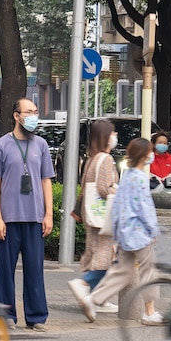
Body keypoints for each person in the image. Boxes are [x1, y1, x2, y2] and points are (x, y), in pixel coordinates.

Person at [76, 138, 162, 325]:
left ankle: (93, 299)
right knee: (148, 271)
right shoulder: (140, 178)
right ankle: (150, 311)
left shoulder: (127, 176)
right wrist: (153, 229)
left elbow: (118, 206)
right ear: (144, 155)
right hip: (140, 233)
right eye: (150, 151)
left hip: (125, 233)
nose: (152, 154)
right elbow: (144, 208)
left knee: (121, 272)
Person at [0, 98, 55, 332]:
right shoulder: (1, 146)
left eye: (35, 111)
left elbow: (46, 181)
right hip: (8, 217)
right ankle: (6, 314)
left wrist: (49, 214)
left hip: (35, 216)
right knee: (5, 270)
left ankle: (36, 316)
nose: (33, 116)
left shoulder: (42, 145)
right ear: (16, 116)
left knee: (35, 268)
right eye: (28, 112)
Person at [67, 120, 119, 310]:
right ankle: (84, 284)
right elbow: (103, 189)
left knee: (98, 255)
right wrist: (119, 191)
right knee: (105, 258)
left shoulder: (92, 159)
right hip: (103, 217)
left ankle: (98, 298)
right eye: (113, 133)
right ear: (105, 136)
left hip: (92, 215)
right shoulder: (105, 159)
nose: (115, 137)